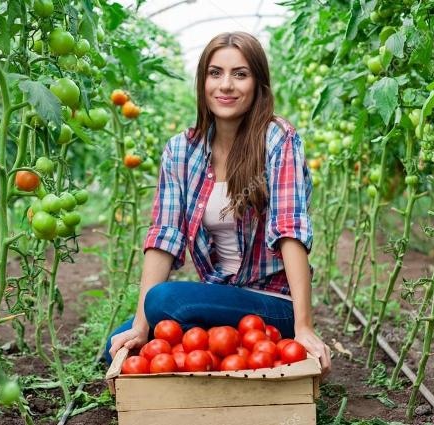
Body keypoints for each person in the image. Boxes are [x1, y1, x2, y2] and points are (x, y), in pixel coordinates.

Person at [105, 31, 331, 376]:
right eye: (215, 73)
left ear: (258, 84)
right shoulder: (181, 150)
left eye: (240, 74)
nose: (226, 85)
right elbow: (164, 237)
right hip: (217, 297)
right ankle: (224, 349)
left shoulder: (278, 139)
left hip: (272, 304)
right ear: (203, 82)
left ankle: (243, 343)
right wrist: (139, 325)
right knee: (118, 344)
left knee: (166, 302)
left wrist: (303, 326)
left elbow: (290, 230)